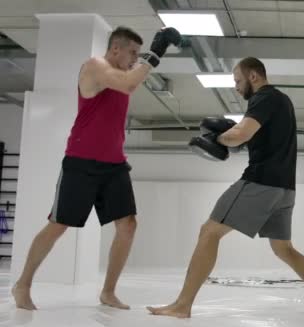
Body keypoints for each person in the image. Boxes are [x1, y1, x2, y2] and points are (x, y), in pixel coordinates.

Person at [147, 57, 304, 319]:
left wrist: (217, 138)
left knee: (209, 232)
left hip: (260, 183)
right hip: (285, 190)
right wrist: (236, 138)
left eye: (238, 81)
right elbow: (257, 138)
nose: (236, 88)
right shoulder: (283, 101)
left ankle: (182, 305)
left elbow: (240, 134)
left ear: (253, 76)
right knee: (284, 249)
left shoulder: (263, 97)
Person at [12, 26, 181, 310]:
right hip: (81, 163)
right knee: (58, 225)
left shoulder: (121, 76)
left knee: (128, 226)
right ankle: (22, 285)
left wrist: (149, 57)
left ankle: (108, 292)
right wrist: (155, 53)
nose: (134, 58)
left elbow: (128, 82)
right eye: (132, 53)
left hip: (114, 165)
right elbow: (128, 83)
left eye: (137, 55)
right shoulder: (95, 67)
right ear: (115, 49)